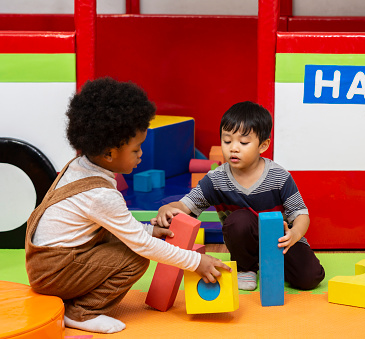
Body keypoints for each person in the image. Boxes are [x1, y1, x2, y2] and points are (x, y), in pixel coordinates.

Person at [25, 77, 230, 334]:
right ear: (109, 153)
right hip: (55, 271)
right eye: (136, 149)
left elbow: (119, 226)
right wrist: (195, 261)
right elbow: (141, 245)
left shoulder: (79, 166)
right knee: (135, 257)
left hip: (48, 263)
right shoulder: (101, 195)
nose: (141, 154)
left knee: (126, 241)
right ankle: (82, 312)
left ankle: (74, 297)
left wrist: (148, 229)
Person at [151, 101, 325, 291]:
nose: (234, 148)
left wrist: (295, 234)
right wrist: (166, 208)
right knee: (239, 220)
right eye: (227, 141)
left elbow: (301, 214)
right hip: (244, 241)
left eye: (243, 142)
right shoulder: (215, 179)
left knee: (310, 278)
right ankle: (245, 267)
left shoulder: (279, 176)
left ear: (263, 145)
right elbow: (185, 206)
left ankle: (268, 265)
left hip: (280, 241)